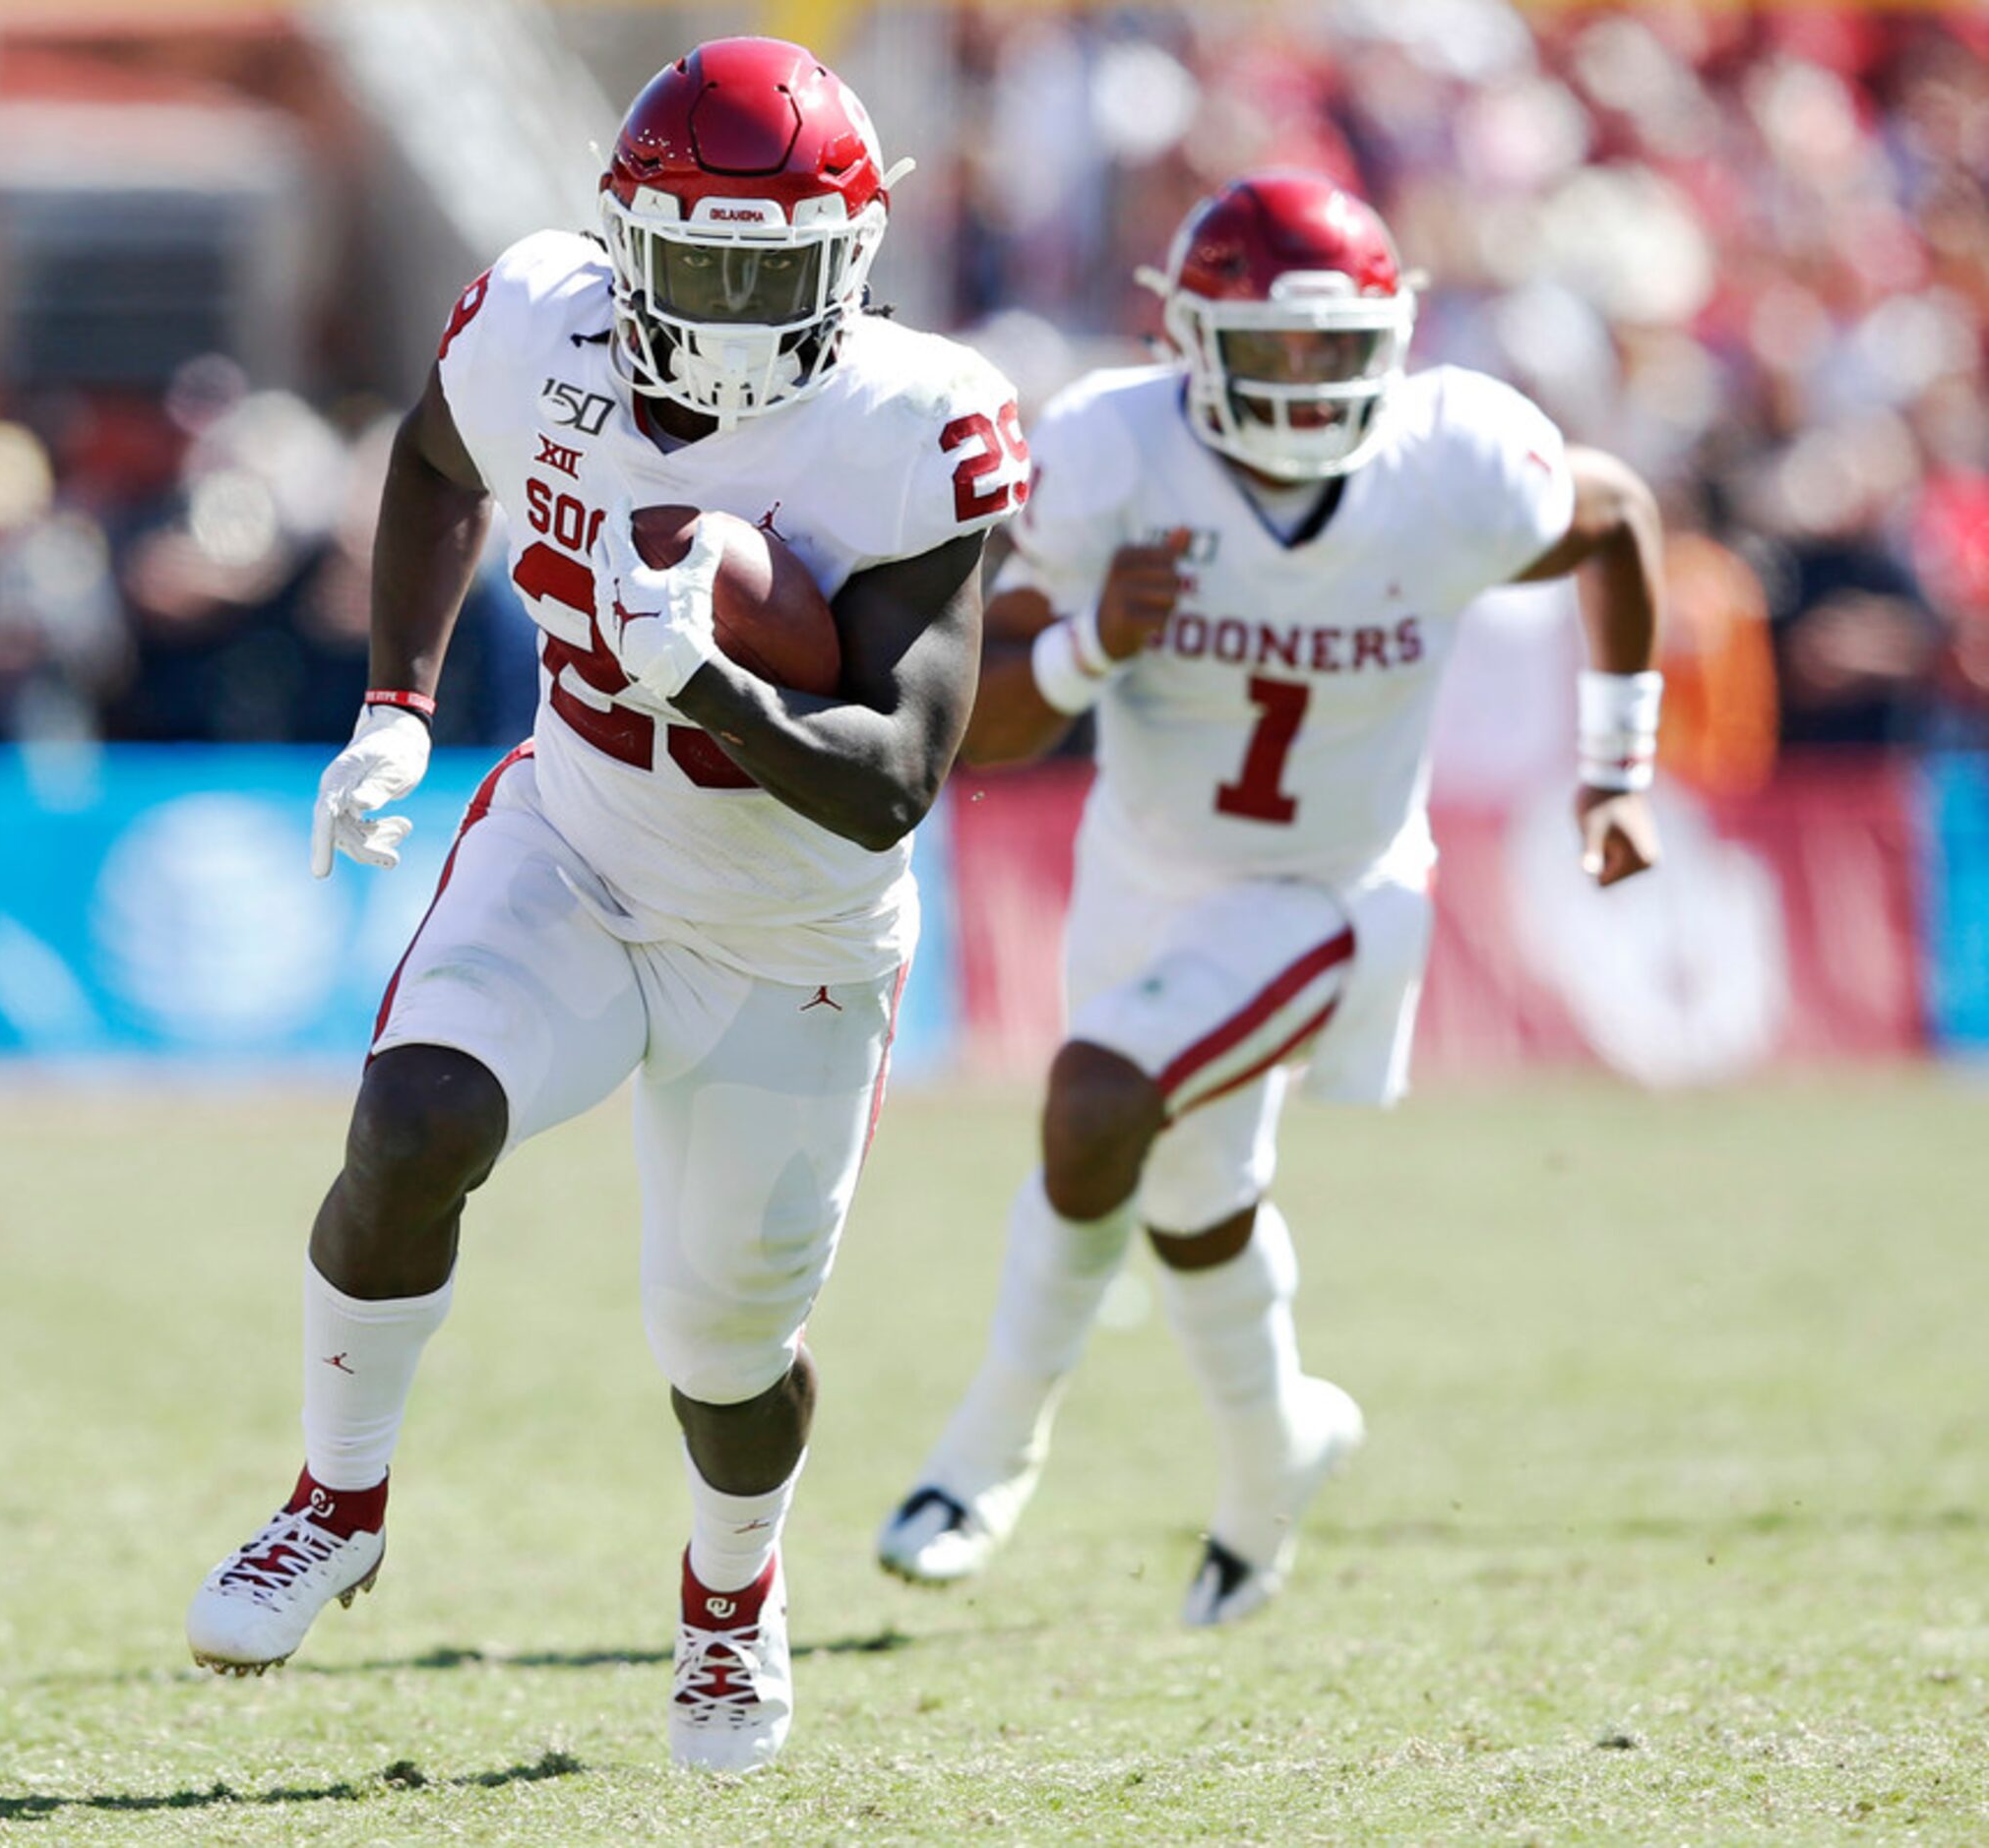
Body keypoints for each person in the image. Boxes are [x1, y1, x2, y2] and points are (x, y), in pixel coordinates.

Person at [184, 37, 1026, 1774]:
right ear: (623, 237)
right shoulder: (535, 320)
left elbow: (891, 775)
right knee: (412, 1118)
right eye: (694, 263)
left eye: (764, 273)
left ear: (850, 265)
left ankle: (732, 1591)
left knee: (726, 1346)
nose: (720, 311)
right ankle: (336, 1499)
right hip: (575, 835)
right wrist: (397, 707)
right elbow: (432, 465)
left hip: (793, 937)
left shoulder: (920, 421)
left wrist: (712, 683)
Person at [875, 171, 1664, 1628]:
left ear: (1392, 339)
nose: (1308, 383)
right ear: (1191, 339)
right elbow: (978, 730)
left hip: (1334, 891)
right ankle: (1276, 1455)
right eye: (1276, 349)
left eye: (1335, 349)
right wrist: (1091, 646)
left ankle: (986, 1448)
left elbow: (1616, 520)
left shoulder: (1454, 456)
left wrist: (1617, 769)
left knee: (1098, 1098)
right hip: (1144, 874)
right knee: (1188, 1196)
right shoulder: (1111, 449)